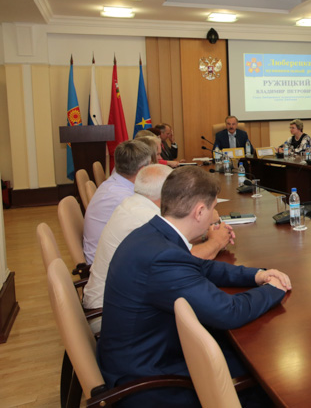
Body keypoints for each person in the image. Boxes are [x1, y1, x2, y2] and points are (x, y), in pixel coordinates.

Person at [97, 166, 291, 407]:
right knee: (265, 373)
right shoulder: (162, 257)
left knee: (243, 353)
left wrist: (257, 276)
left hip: (142, 353)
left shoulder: (152, 233)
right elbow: (228, 311)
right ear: (199, 212)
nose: (214, 218)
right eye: (213, 209)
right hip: (146, 379)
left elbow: (202, 267)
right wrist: (274, 289)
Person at [82, 164, 235, 331]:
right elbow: (186, 259)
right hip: (112, 316)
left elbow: (178, 245)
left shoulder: (134, 203)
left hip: (125, 304)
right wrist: (216, 242)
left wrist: (205, 232)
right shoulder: (145, 217)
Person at [83, 140, 153, 264]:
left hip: (109, 256)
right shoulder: (123, 198)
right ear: (142, 170)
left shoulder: (115, 184)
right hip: (108, 265)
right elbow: (152, 232)